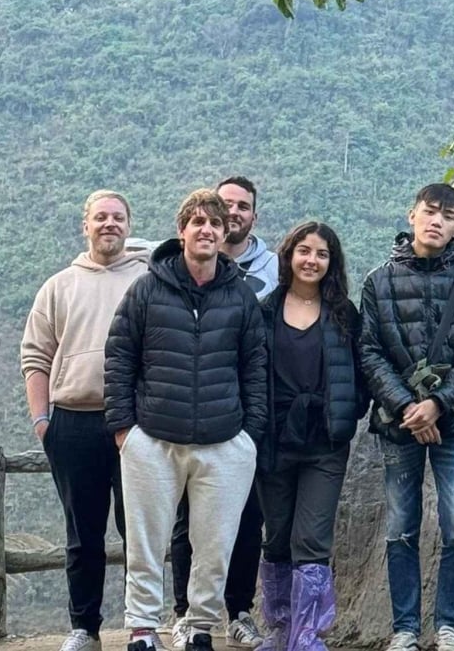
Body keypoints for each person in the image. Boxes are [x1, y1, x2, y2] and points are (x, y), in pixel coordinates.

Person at [105, 189, 268, 651]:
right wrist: (124, 430)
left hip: (224, 442)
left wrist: (249, 436)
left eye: (214, 223)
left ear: (224, 233)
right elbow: (119, 356)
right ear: (181, 231)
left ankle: (199, 627)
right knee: (146, 542)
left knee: (214, 545)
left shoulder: (240, 296)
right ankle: (142, 628)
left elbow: (255, 366)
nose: (206, 230)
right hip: (153, 439)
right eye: (197, 222)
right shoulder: (147, 290)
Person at [358, 183, 454, 651]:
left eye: (448, 215)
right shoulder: (378, 281)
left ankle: (448, 628)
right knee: (400, 528)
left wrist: (437, 404)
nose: (437, 221)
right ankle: (405, 629)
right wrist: (407, 406)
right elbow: (369, 351)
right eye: (430, 211)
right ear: (412, 215)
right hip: (397, 423)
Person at [21, 190, 149, 651]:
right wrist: (43, 421)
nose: (109, 224)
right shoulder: (59, 286)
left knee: (140, 531)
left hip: (137, 423)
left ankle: (142, 625)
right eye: (100, 217)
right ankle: (84, 627)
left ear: (129, 225)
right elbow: (35, 356)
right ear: (86, 225)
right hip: (73, 422)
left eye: (117, 217)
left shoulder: (148, 281)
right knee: (82, 533)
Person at [168, 175, 277, 647]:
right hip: (188, 416)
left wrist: (253, 426)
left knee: (248, 518)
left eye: (241, 207)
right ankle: (184, 614)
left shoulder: (273, 271)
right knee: (186, 521)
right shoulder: (177, 273)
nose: (231, 214)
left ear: (254, 215)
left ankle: (239, 611)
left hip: (243, 416)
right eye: (223, 206)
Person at [255, 221, 368, 651]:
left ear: (331, 263)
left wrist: (348, 411)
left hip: (325, 442)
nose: (311, 260)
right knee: (277, 534)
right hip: (275, 439)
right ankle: (281, 627)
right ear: (289, 255)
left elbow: (362, 373)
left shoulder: (344, 315)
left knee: (312, 537)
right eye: (304, 251)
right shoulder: (264, 312)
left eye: (322, 254)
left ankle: (307, 635)